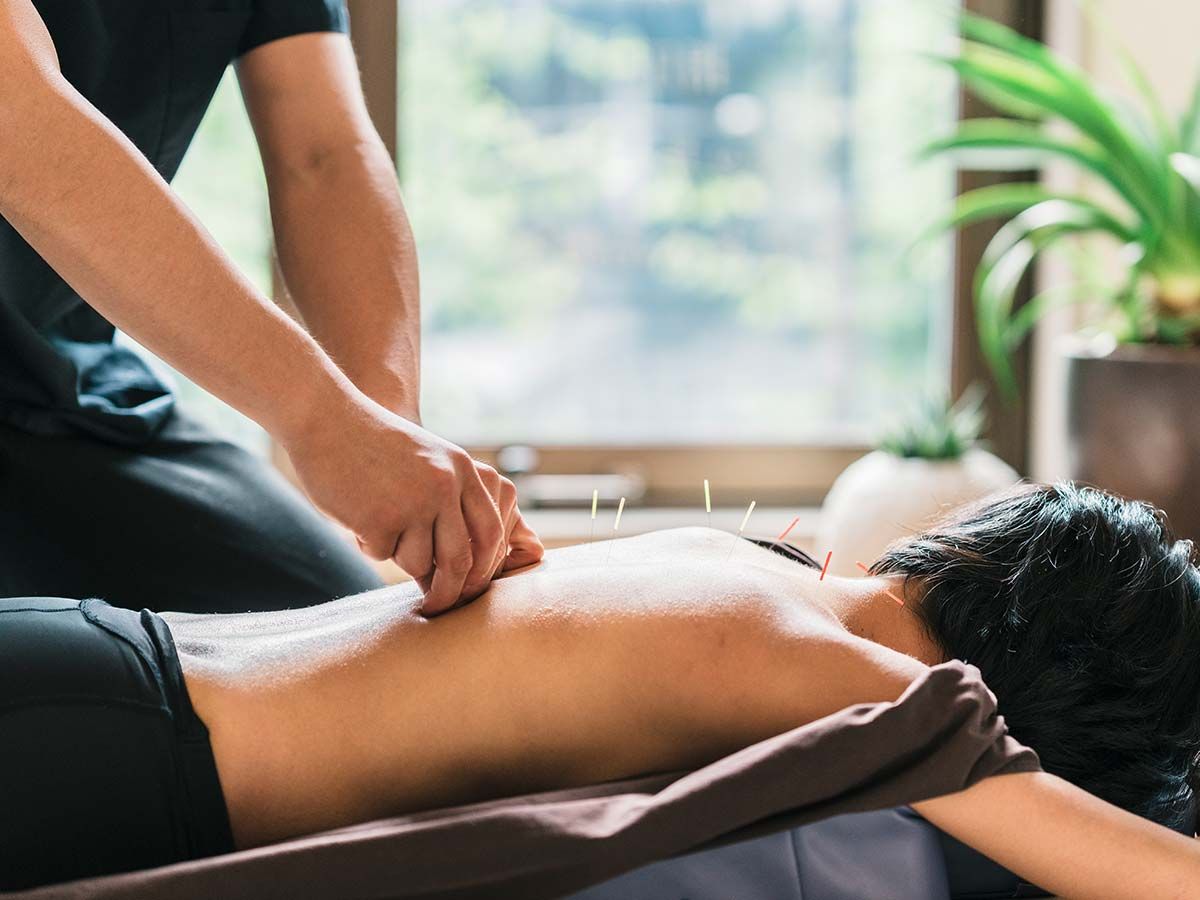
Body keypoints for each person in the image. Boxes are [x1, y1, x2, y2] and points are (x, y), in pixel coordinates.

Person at [3, 482, 1199, 896]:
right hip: (116, 767)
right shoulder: (857, 688)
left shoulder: (754, 566)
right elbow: (1155, 879)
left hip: (101, 658)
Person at [0, 0, 542, 616]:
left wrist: (385, 428)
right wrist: (325, 422)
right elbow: (17, 116)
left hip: (57, 387)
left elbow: (322, 157)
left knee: (347, 644)